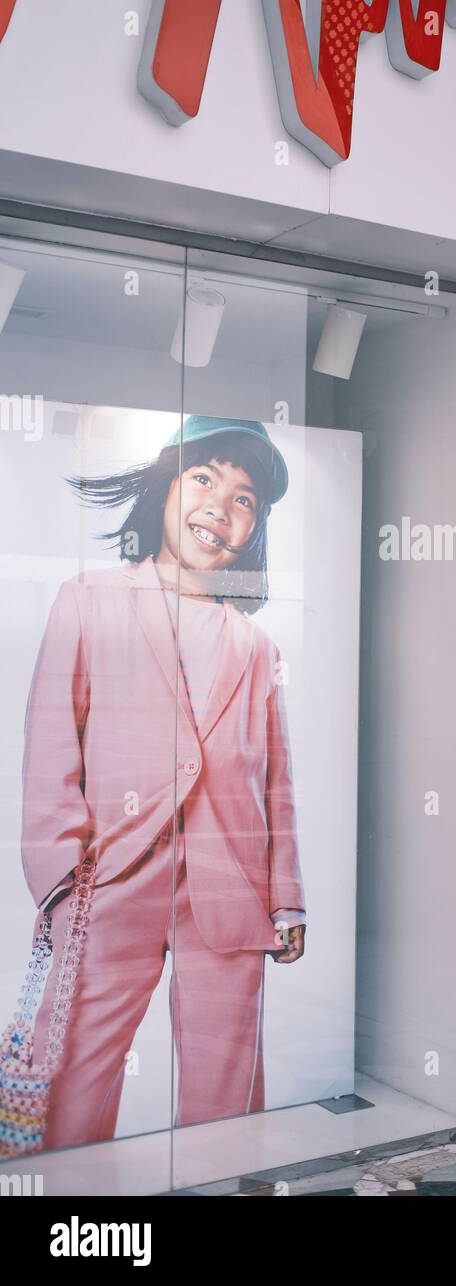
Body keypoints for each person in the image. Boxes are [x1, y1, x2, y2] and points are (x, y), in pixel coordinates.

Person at [20, 416, 306, 1151]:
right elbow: (52, 741)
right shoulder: (89, 598)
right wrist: (59, 877)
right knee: (74, 1078)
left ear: (255, 529)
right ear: (165, 490)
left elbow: (276, 782)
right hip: (110, 880)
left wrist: (285, 897)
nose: (221, 505)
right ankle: (73, 1208)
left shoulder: (254, 642)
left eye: (245, 499)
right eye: (204, 479)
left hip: (229, 886)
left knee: (228, 1085)